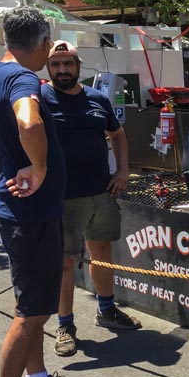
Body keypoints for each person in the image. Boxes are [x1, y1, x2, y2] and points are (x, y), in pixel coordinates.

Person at [0, 7, 84, 377]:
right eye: (48, 48)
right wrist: (35, 167)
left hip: (25, 213)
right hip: (29, 215)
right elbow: (27, 120)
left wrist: (11, 163)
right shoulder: (22, 79)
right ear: (41, 43)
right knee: (30, 314)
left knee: (34, 307)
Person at [41, 40, 140, 358]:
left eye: (67, 63)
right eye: (56, 65)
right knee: (65, 262)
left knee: (102, 252)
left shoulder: (97, 99)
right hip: (63, 197)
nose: (62, 70)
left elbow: (117, 134)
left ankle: (107, 310)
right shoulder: (39, 98)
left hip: (101, 192)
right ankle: (65, 325)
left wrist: (123, 170)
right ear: (49, 68)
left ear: (78, 66)